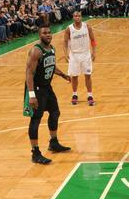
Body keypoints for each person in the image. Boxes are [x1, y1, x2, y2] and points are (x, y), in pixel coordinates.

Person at [24, 25, 71, 164]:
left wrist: (62, 74)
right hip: (36, 89)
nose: (48, 35)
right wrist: (31, 95)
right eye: (45, 33)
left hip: (47, 88)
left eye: (49, 32)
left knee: (55, 112)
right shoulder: (36, 51)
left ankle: (53, 142)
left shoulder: (51, 49)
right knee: (36, 119)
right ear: (40, 35)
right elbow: (29, 73)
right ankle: (35, 153)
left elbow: (50, 66)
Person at [63, 11, 96, 106]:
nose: (77, 17)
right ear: (73, 17)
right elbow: (65, 42)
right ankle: (74, 95)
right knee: (74, 76)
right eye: (75, 16)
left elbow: (93, 40)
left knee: (88, 75)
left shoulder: (87, 27)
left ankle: (90, 96)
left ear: (81, 17)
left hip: (86, 54)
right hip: (74, 55)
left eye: (79, 16)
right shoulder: (69, 29)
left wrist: (94, 52)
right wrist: (66, 54)